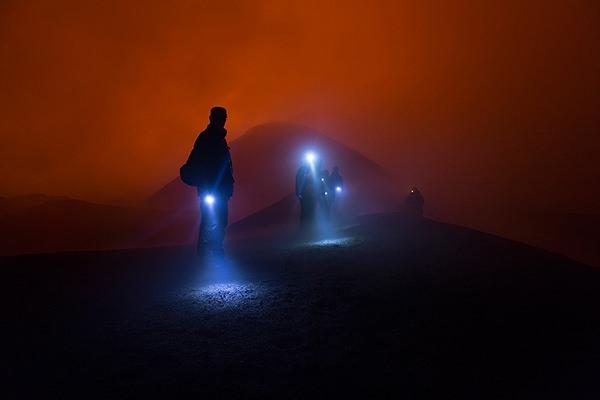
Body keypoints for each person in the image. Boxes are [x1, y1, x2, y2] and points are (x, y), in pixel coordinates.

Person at [184, 106, 234, 255]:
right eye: (220, 117)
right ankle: (206, 251)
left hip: (218, 188)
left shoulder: (219, 139)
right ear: (212, 118)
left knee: (219, 219)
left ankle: (212, 249)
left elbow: (225, 165)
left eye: (224, 117)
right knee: (209, 219)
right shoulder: (206, 138)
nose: (223, 120)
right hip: (210, 188)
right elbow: (200, 162)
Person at [295, 159, 320, 231]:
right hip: (305, 195)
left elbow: (316, 183)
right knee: (306, 211)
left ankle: (309, 228)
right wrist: (299, 193)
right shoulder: (303, 171)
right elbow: (299, 182)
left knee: (309, 211)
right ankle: (304, 229)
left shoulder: (312, 171)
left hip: (310, 195)